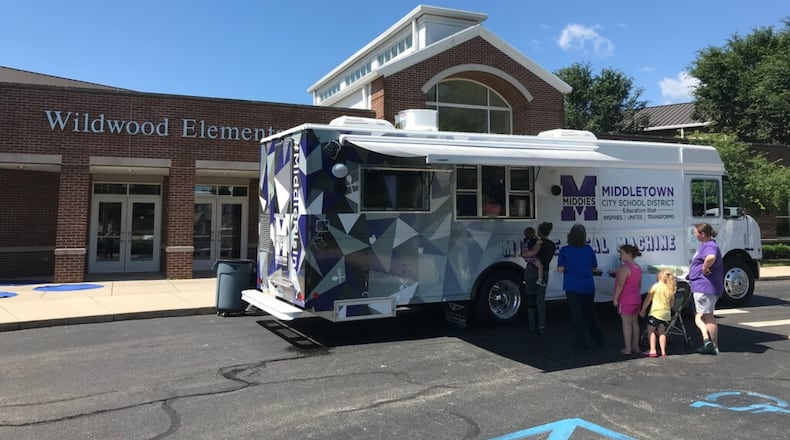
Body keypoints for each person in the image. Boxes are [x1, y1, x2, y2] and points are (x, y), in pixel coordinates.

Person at [557, 223, 603, 349]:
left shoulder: (565, 250)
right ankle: (597, 337)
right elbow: (594, 267)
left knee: (576, 314)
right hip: (587, 285)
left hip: (572, 286)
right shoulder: (588, 249)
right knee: (590, 313)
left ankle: (579, 341)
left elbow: (561, 269)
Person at [687, 222, 724, 355]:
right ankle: (712, 345)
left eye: (696, 232)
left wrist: (704, 268)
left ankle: (709, 342)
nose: (695, 234)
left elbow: (711, 257)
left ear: (702, 234)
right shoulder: (707, 244)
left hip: (703, 287)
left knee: (701, 317)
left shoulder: (710, 245)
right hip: (707, 287)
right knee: (708, 316)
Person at [522, 222, 556, 334]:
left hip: (531, 271)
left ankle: (532, 325)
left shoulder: (533, 242)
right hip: (544, 272)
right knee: (540, 299)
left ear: (539, 232)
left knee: (531, 297)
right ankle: (541, 325)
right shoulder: (552, 245)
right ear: (549, 232)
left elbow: (527, 254)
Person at [612, 244, 643, 355]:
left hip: (626, 299)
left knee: (626, 323)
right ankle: (636, 347)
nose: (620, 256)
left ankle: (628, 348)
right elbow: (639, 284)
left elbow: (620, 285)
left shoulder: (624, 269)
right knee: (635, 323)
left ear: (629, 254)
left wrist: (615, 299)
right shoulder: (638, 267)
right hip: (636, 298)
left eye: (622, 253)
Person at [640, 269, 676, 357]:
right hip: (665, 314)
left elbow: (648, 299)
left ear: (659, 276)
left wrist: (643, 310)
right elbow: (672, 304)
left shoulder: (655, 286)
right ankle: (663, 351)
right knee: (662, 333)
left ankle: (652, 350)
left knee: (651, 331)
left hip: (655, 312)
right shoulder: (670, 289)